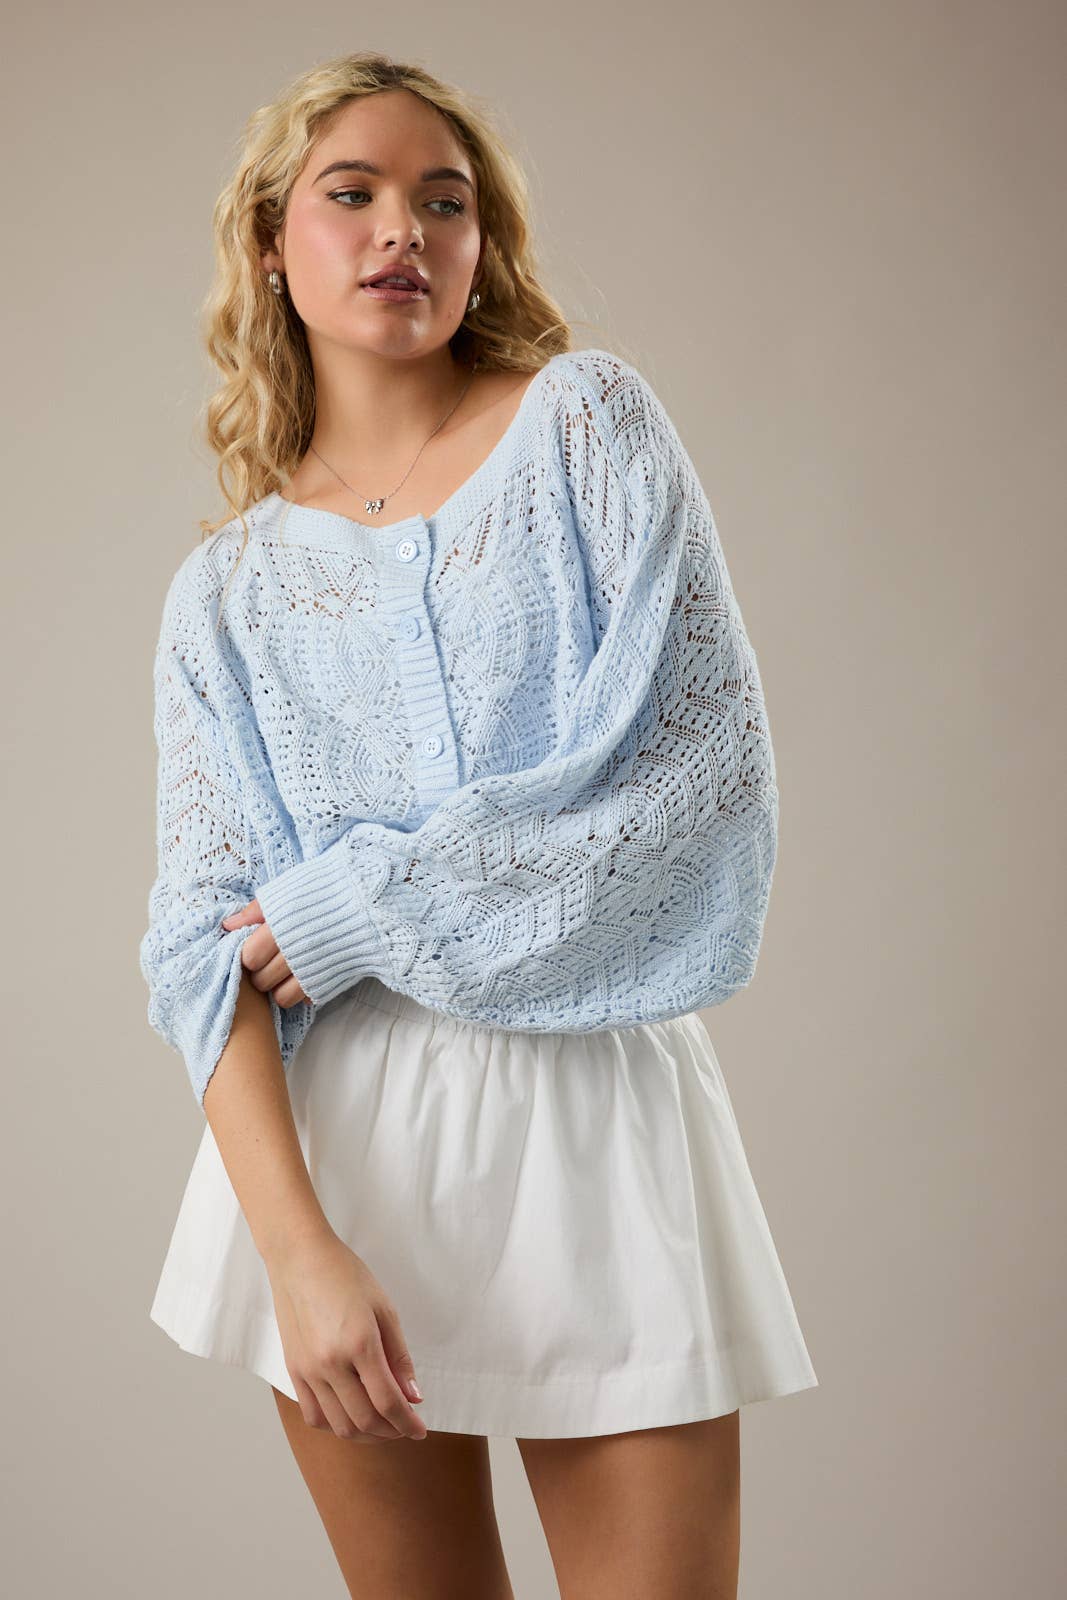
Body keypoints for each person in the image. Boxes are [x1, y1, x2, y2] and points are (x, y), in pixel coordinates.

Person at [140, 50, 818, 1599]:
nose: (405, 230)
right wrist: (297, 1255)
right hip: (342, 1159)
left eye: (445, 203)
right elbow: (199, 952)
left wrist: (354, 908)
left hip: (600, 1132)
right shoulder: (224, 595)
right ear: (271, 244)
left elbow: (698, 781)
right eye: (354, 194)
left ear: (482, 244)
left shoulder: (587, 430)